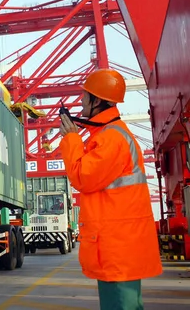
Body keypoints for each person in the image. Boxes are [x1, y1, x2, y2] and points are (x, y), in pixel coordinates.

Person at [58, 68, 161, 310]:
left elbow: (83, 177)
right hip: (118, 245)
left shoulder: (112, 138)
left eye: (85, 97)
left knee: (121, 305)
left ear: (97, 101)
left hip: (118, 248)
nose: (81, 103)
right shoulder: (109, 135)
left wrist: (72, 139)